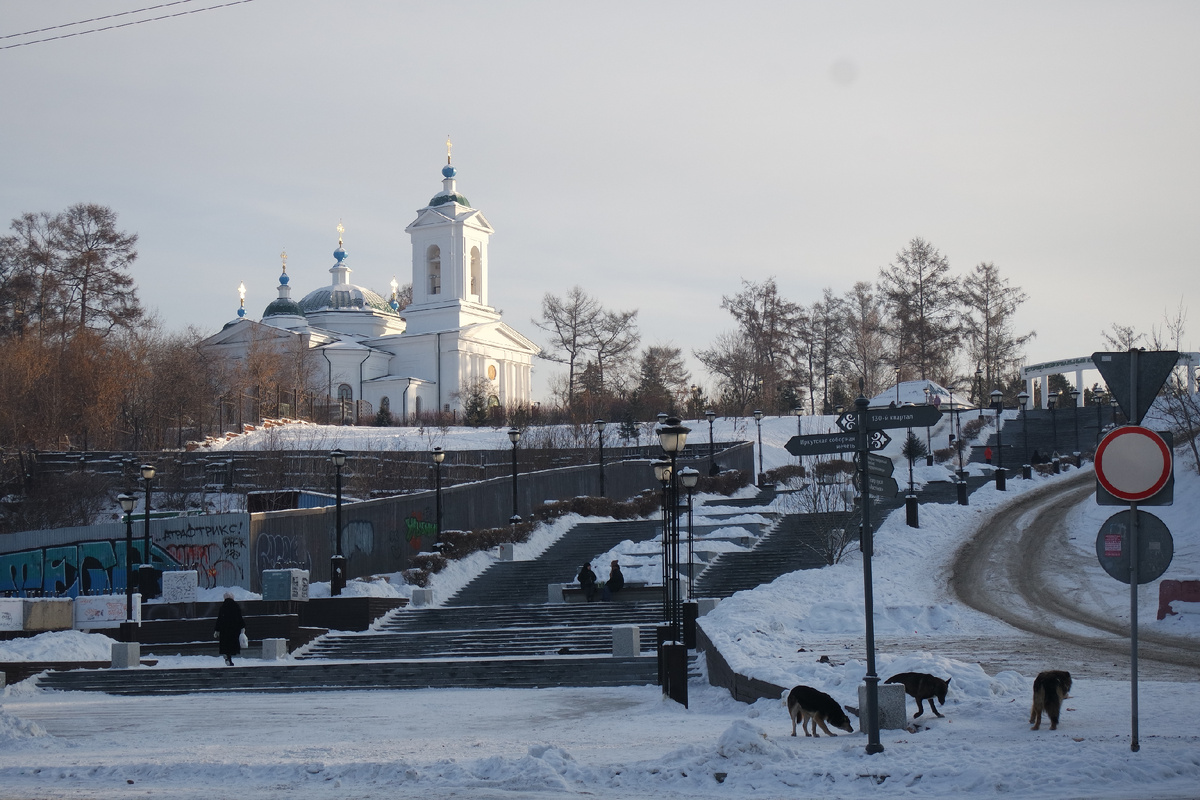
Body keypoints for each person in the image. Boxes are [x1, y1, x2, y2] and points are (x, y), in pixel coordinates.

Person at [214, 592, 245, 666]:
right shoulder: (236, 606)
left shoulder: (222, 607)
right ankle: (229, 658)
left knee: (226, 645)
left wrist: (217, 630)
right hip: (234, 630)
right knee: (232, 645)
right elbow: (239, 617)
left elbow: (219, 619)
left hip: (224, 630)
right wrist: (242, 627)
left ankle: (227, 657)